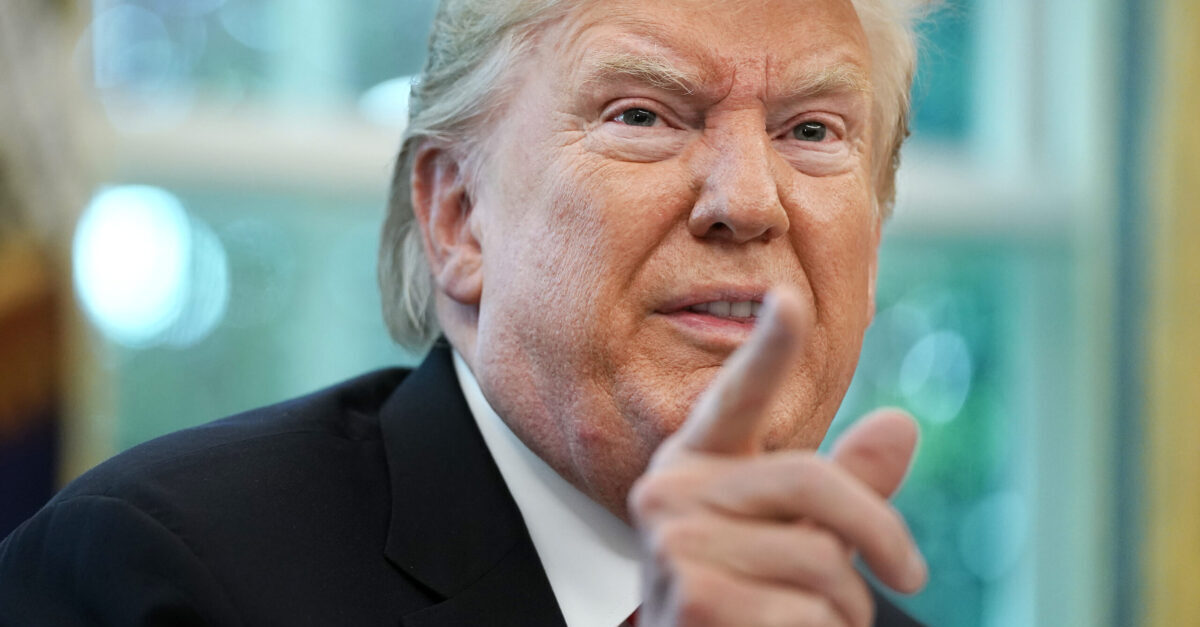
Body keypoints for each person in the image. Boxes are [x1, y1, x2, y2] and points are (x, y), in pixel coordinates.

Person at [0, 0, 930, 625]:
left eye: (813, 132)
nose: (749, 200)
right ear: (457, 218)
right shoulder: (156, 569)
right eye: (643, 115)